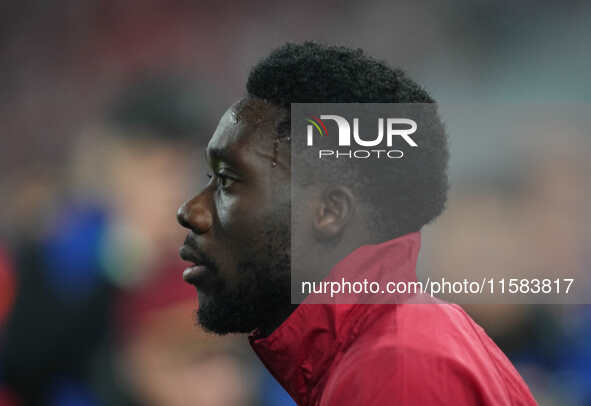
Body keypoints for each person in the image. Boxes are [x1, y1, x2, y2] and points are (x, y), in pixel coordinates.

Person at [177, 42, 538, 405]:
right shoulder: (394, 346)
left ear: (328, 213)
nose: (192, 211)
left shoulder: (398, 370)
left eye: (227, 182)